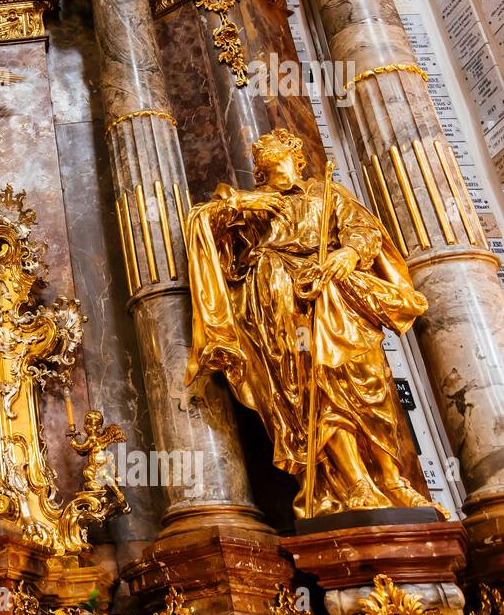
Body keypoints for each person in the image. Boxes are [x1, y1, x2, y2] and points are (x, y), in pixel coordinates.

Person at [185, 128, 435, 518]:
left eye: (277, 146)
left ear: (296, 156)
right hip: (278, 297)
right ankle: (354, 483)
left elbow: (365, 230)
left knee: (367, 377)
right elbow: (203, 224)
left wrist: (349, 254)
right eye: (260, 154)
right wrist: (241, 206)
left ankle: (392, 477)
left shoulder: (328, 192)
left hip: (335, 295)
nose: (266, 150)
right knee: (308, 386)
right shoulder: (249, 202)